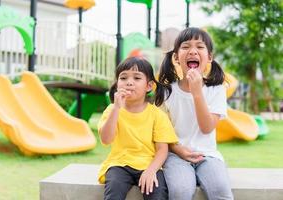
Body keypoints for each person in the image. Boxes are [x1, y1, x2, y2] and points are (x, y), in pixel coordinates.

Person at [158, 27, 234, 200]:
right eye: (186, 47)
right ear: (176, 57)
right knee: (180, 190)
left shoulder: (216, 89)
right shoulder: (167, 92)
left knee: (221, 190)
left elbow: (207, 128)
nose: (193, 51)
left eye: (200, 47)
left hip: (208, 155)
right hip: (175, 155)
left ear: (209, 57)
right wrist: (179, 150)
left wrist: (197, 93)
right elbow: (162, 133)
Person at [97, 57, 179, 200]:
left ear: (149, 86)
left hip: (149, 164)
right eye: (123, 78)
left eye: (136, 78)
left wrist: (151, 170)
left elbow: (162, 149)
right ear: (117, 84)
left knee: (158, 193)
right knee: (114, 191)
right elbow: (106, 139)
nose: (129, 82)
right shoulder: (112, 110)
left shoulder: (157, 115)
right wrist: (117, 108)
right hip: (119, 164)